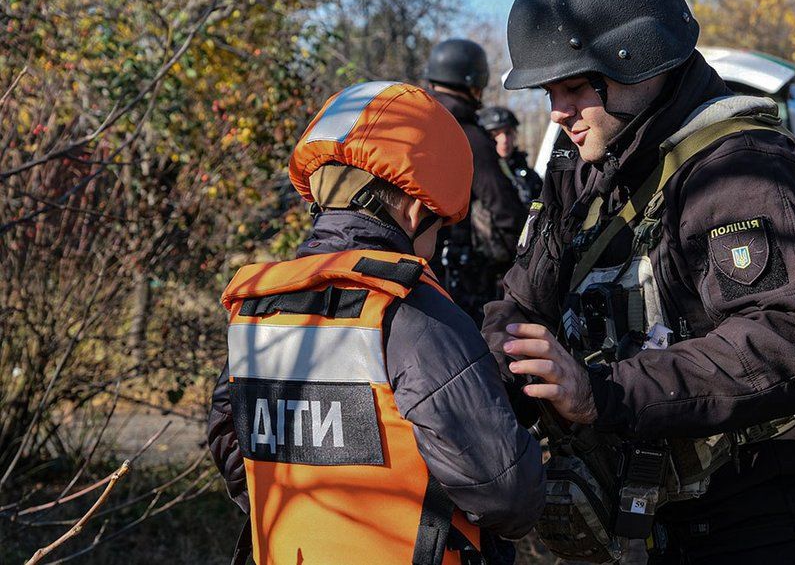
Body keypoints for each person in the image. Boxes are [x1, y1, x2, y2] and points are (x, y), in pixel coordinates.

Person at [480, 0, 795, 564]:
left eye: (574, 87)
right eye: (548, 92)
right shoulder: (583, 174)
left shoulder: (741, 172)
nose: (558, 112)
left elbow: (778, 342)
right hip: (687, 520)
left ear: (639, 61)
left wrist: (600, 391)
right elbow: (520, 307)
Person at [207, 81, 544, 565]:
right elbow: (506, 495)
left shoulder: (258, 309)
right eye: (440, 222)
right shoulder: (414, 311)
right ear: (412, 205)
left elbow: (232, 450)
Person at [425, 39, 528, 323]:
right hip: (458, 272)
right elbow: (503, 207)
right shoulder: (469, 135)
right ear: (474, 84)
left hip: (406, 264)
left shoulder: (413, 123)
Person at [477, 106, 543, 205]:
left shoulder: (530, 177)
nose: (504, 140)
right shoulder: (476, 175)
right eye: (495, 134)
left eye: (508, 133)